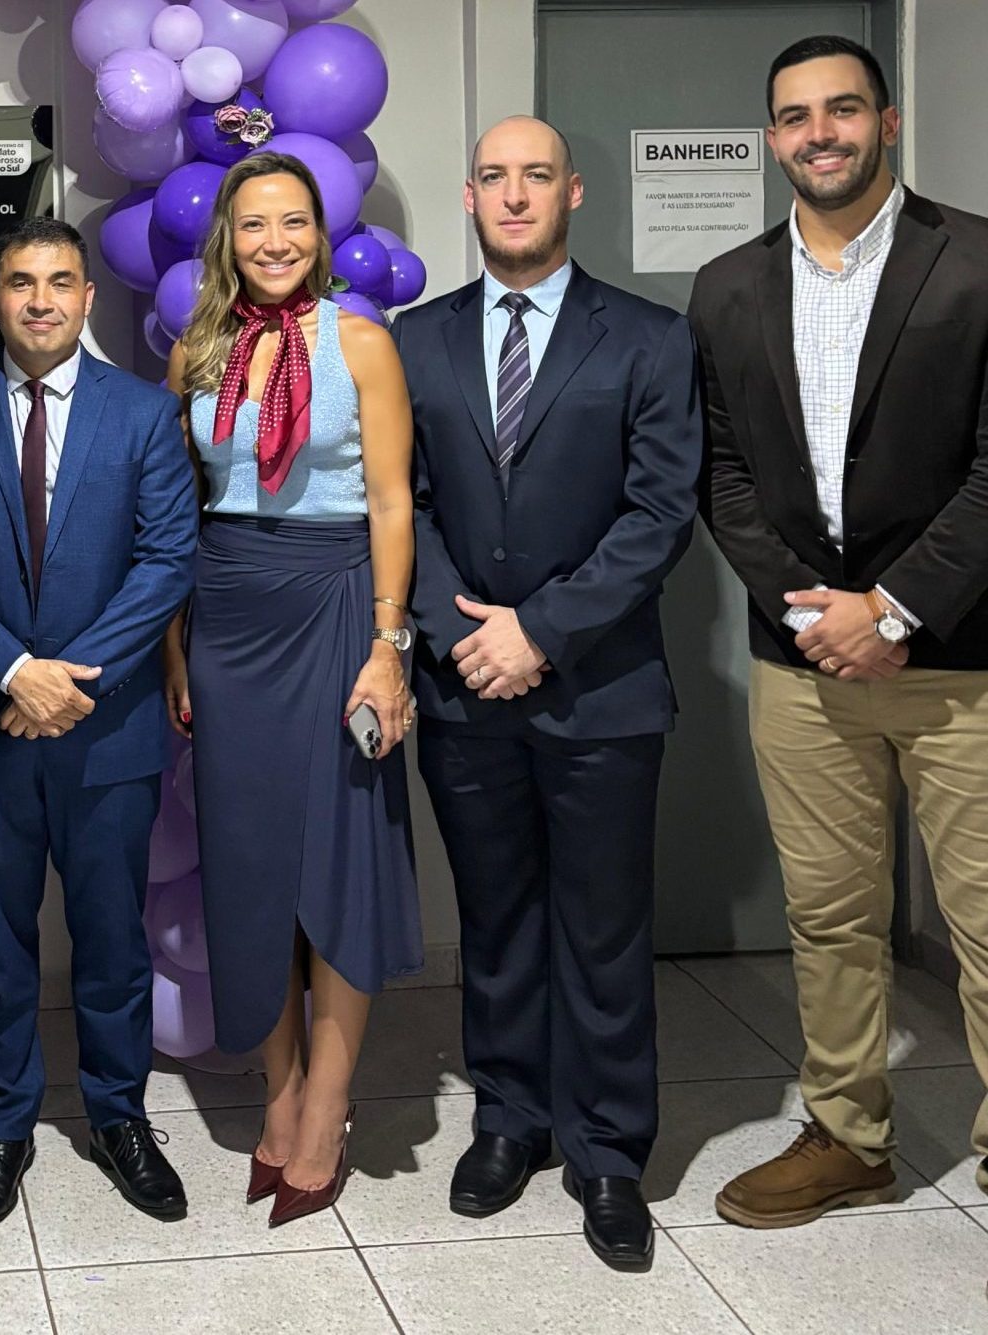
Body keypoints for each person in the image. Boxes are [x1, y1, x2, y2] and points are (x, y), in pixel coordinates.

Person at [393, 116, 701, 1271]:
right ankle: (510, 1120)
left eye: (536, 176)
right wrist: (461, 634)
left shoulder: (651, 337)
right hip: (466, 686)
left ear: (572, 192)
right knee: (498, 920)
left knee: (604, 930)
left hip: (601, 691)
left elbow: (660, 513)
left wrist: (541, 632)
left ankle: (608, 1150)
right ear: (469, 196)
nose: (514, 195)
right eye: (494, 177)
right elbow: (402, 504)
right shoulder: (416, 339)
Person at [691, 36, 988, 1229]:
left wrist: (895, 608)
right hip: (803, 662)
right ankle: (851, 1137)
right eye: (796, 116)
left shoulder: (977, 261)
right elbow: (723, 475)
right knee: (830, 918)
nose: (820, 133)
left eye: (843, 109)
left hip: (960, 659)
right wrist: (819, 615)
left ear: (887, 123)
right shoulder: (727, 285)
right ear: (772, 138)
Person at [161, 152, 420, 1229]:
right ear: (228, 237)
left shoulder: (361, 343)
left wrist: (388, 647)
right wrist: (175, 649)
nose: (275, 241)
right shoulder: (196, 351)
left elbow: (393, 503)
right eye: (254, 223)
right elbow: (177, 511)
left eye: (294, 222)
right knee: (248, 863)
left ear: (321, 235)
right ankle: (278, 1090)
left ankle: (328, 1103)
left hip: (336, 607)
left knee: (342, 856)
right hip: (224, 616)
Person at [0, 218, 199, 1230]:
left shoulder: (143, 413)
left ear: (88, 297)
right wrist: (13, 670)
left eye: (59, 282)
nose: (40, 300)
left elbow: (167, 560)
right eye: (19, 281)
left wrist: (67, 681)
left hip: (106, 724)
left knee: (111, 936)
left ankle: (119, 1115)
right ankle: (0, 1125)